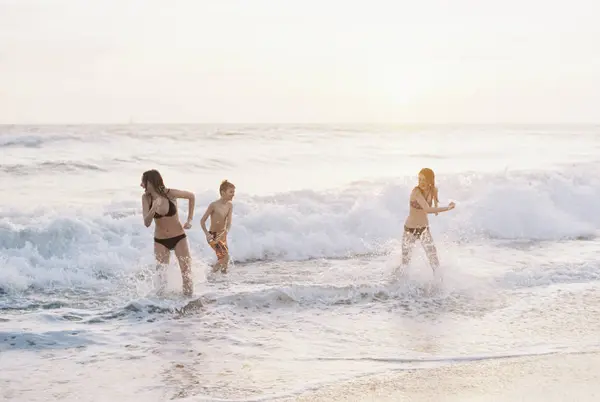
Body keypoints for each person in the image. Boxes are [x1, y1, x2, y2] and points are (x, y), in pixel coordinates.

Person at [141, 169, 195, 296]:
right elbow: (147, 223)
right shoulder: (146, 198)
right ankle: (161, 307)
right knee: (161, 276)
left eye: (143, 182)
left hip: (178, 238)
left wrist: (190, 219)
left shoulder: (170, 194)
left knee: (186, 272)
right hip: (160, 241)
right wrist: (154, 207)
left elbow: (191, 196)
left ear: (150, 182)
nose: (141, 185)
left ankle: (188, 302)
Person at [400, 168, 455, 274]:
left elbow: (434, 206)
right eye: (419, 179)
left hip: (424, 229)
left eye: (424, 180)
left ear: (430, 180)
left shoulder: (433, 190)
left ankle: (438, 285)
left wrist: (437, 206)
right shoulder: (416, 192)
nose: (421, 182)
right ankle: (396, 285)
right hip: (410, 230)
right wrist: (447, 208)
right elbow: (428, 210)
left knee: (434, 260)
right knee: (405, 264)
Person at [200, 180, 235, 273]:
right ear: (223, 192)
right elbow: (202, 221)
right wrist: (207, 234)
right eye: (231, 192)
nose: (233, 194)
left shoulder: (230, 205)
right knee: (225, 257)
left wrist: (226, 232)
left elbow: (229, 222)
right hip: (213, 236)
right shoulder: (214, 205)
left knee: (224, 261)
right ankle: (211, 276)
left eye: (233, 192)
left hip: (223, 235)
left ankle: (222, 281)